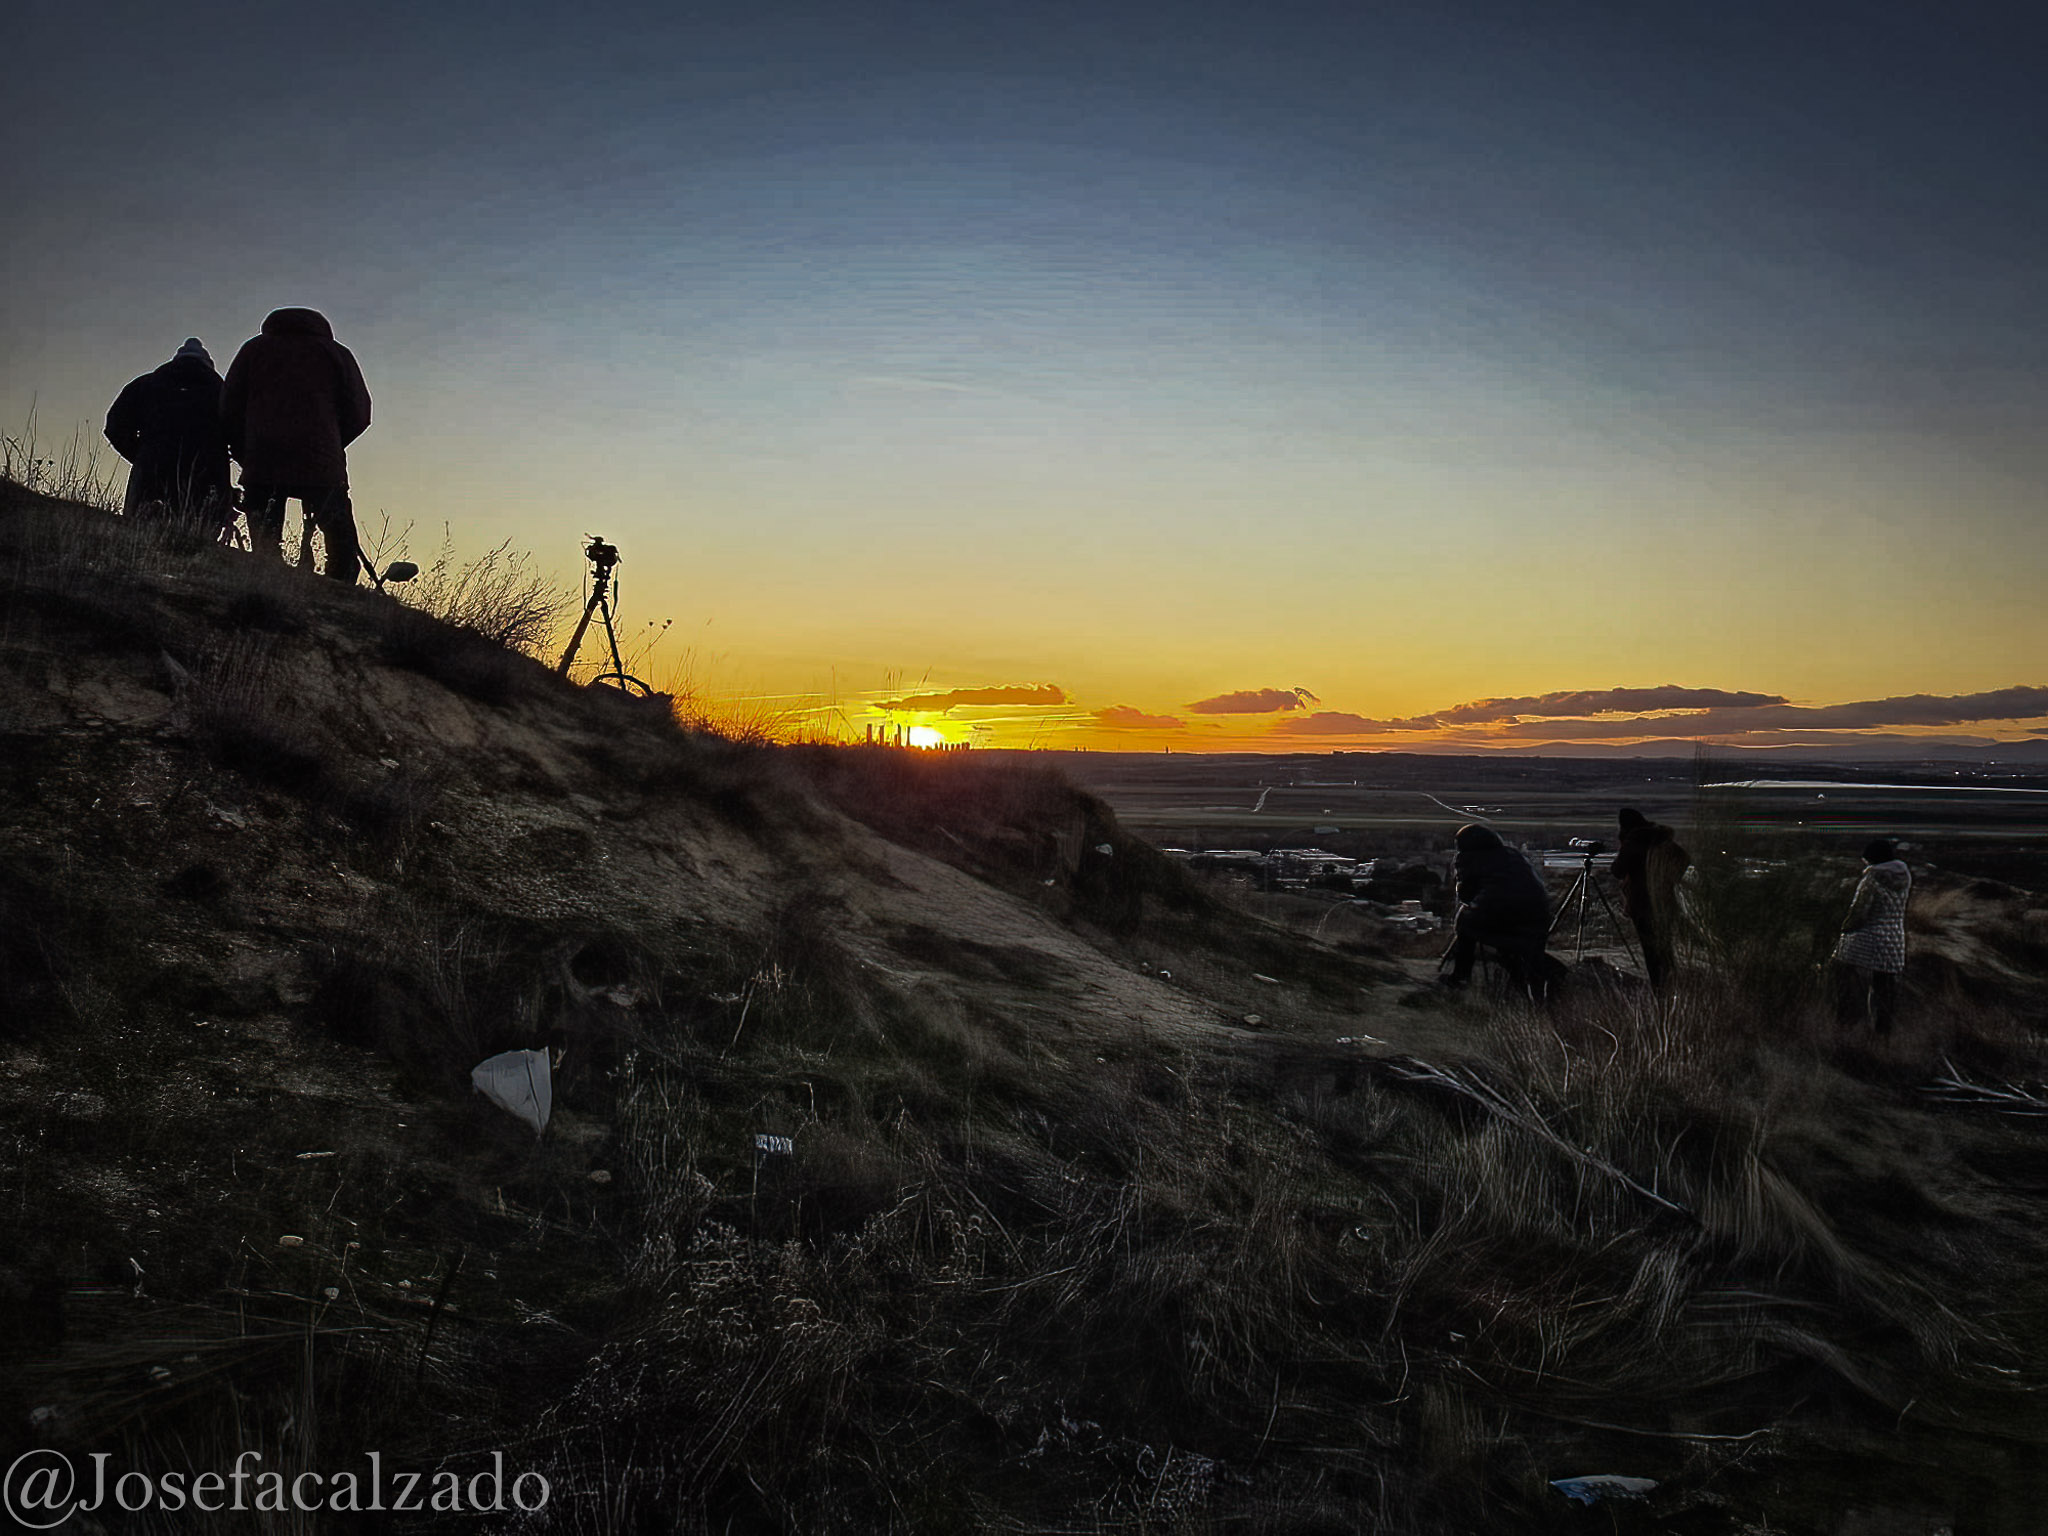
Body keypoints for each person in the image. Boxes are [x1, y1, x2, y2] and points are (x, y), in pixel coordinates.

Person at [221, 307, 372, 582]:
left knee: (265, 543)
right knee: (341, 545)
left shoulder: (253, 350)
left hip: (263, 458)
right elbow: (360, 412)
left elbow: (228, 408)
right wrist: (333, 444)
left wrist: (245, 451)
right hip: (321, 462)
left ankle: (268, 589)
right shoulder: (336, 353)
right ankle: (339, 591)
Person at [103, 338, 233, 524]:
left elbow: (115, 426)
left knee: (140, 534)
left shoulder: (146, 385)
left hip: (151, 477)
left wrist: (141, 456)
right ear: (209, 366)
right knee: (198, 538)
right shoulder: (223, 393)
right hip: (206, 481)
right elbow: (239, 434)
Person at [1444, 824, 1553, 992]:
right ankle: (1533, 979)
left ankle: (1461, 976)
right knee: (1524, 951)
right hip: (1538, 918)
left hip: (1500, 919)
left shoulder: (1467, 858)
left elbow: (1465, 896)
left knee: (1464, 920)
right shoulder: (1513, 854)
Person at [1833, 838, 1910, 1035]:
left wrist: (1843, 929)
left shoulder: (1871, 879)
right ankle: (1882, 1035)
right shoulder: (1905, 877)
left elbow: (1859, 912)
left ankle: (1845, 1028)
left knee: (1846, 981)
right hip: (1894, 941)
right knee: (1885, 991)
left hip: (1866, 941)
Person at [1610, 807, 1690, 991]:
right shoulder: (1660, 839)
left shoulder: (1634, 842)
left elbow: (1617, 870)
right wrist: (1668, 877)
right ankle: (1670, 984)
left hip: (1642, 903)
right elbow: (1683, 859)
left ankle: (1660, 989)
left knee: (1651, 951)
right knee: (1665, 947)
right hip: (1665, 901)